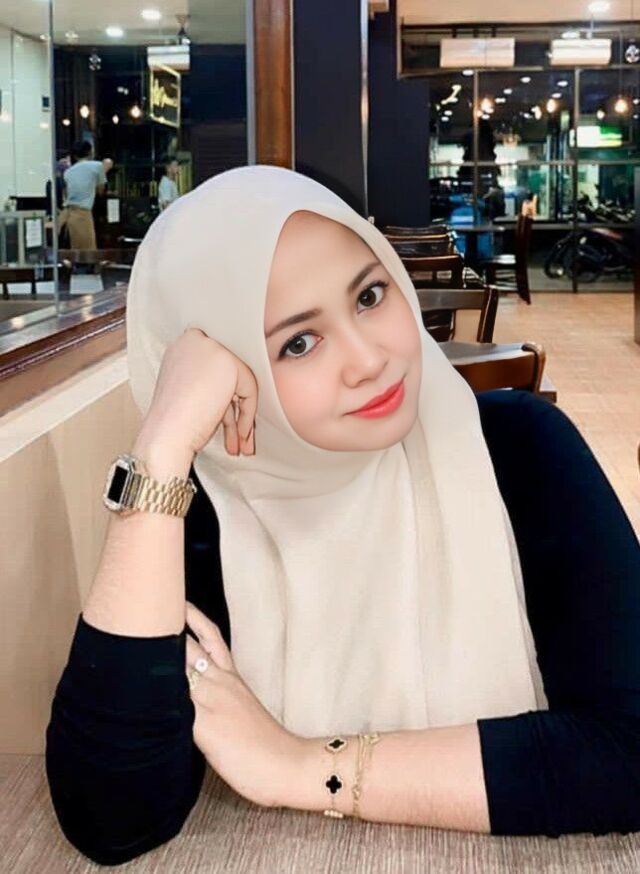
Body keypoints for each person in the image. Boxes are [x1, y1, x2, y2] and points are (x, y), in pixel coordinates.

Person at [46, 166, 640, 866]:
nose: (369, 359)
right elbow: (112, 818)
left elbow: (628, 753)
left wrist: (299, 766)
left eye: (369, 295)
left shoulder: (519, 450)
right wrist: (162, 447)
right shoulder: (199, 520)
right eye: (297, 342)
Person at [59, 140, 113, 250]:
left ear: (75, 155)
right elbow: (100, 190)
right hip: (82, 213)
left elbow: (67, 193)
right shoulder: (97, 166)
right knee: (87, 250)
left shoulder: (68, 172)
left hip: (66, 215)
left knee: (74, 248)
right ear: (90, 152)